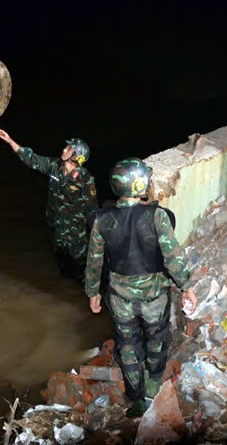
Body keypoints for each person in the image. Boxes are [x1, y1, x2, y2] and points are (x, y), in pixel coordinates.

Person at [84, 158, 196, 418]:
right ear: (139, 184)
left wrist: (92, 292)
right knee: (157, 339)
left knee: (127, 345)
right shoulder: (158, 216)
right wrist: (187, 286)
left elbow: (94, 261)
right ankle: (153, 386)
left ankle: (136, 398)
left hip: (119, 297)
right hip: (153, 295)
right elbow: (173, 256)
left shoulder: (101, 220)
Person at [0, 128, 98, 279]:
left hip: (76, 234)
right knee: (63, 269)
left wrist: (96, 237)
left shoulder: (86, 179)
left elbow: (92, 209)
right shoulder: (54, 166)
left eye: (69, 149)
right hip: (57, 229)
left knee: (80, 270)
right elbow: (32, 159)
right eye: (66, 147)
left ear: (76, 156)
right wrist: (10, 141)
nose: (64, 149)